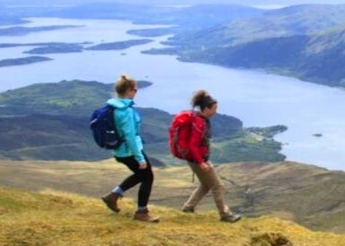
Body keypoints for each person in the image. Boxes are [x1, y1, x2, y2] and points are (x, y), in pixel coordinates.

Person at [172, 89, 241, 223]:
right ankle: (225, 214)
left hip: (195, 160)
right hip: (197, 160)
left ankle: (188, 207)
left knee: (205, 184)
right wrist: (201, 162)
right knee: (218, 186)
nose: (216, 111)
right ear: (206, 108)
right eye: (214, 108)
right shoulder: (199, 123)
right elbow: (192, 145)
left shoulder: (198, 119)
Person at [99, 74, 158, 223]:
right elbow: (130, 136)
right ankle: (141, 212)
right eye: (135, 90)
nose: (136, 92)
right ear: (129, 91)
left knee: (140, 175)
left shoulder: (114, 106)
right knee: (147, 176)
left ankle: (113, 196)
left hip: (120, 150)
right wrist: (139, 157)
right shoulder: (125, 111)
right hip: (129, 150)